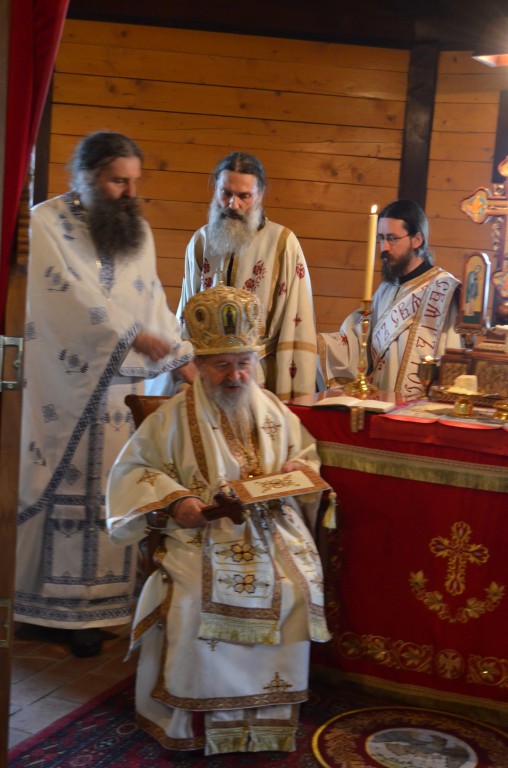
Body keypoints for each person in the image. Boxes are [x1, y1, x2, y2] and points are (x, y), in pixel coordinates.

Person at [106, 283, 331, 755]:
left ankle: (265, 716)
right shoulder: (171, 417)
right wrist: (177, 501)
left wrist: (298, 467)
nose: (235, 375)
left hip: (272, 531)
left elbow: (306, 455)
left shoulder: (271, 409)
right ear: (201, 366)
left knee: (294, 586)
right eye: (222, 365)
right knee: (193, 594)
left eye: (244, 363)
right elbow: (134, 470)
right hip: (202, 534)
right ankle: (194, 720)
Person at [15, 131, 196, 658]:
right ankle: (40, 608)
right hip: (62, 389)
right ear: (87, 176)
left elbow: (152, 299)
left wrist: (181, 357)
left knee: (109, 491)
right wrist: (131, 335)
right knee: (60, 489)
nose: (129, 193)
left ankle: (95, 612)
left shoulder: (137, 230)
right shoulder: (47, 223)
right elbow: (67, 298)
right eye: (119, 181)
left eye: (134, 181)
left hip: (120, 397)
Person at [176, 151, 317, 400]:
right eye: (226, 193)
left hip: (258, 379)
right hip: (204, 378)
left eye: (244, 196)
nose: (233, 204)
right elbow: (186, 317)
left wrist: (290, 394)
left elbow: (297, 324)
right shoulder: (201, 242)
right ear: (216, 189)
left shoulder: (283, 243)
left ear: (260, 195)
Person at [317, 199, 462, 398]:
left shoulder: (443, 290)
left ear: (417, 240)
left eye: (392, 238)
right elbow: (358, 342)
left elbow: (453, 355)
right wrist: (318, 344)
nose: (384, 247)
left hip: (422, 406)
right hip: (382, 403)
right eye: (381, 238)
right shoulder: (386, 288)